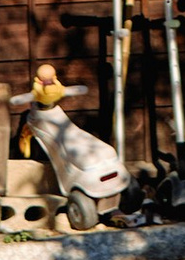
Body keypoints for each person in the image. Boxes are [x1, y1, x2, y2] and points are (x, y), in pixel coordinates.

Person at [18, 62, 125, 220]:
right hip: (48, 118)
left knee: (77, 139)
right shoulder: (38, 106)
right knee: (67, 141)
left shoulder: (52, 92)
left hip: (59, 122)